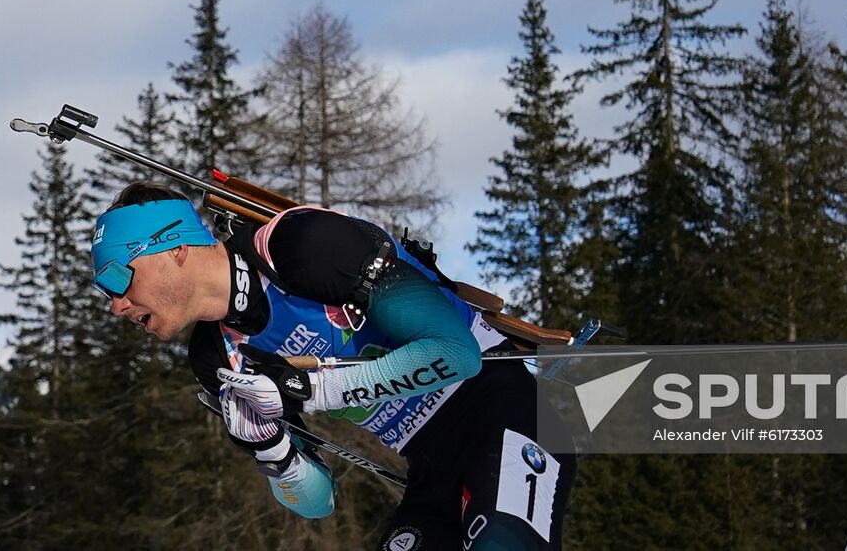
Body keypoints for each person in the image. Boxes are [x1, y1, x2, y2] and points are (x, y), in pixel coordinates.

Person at [89, 181, 575, 550]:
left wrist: (309, 387)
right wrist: (274, 452)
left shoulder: (299, 247)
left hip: (507, 407)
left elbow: (455, 354)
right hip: (429, 464)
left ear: (173, 248)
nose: (115, 305)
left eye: (116, 276)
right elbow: (319, 502)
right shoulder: (217, 357)